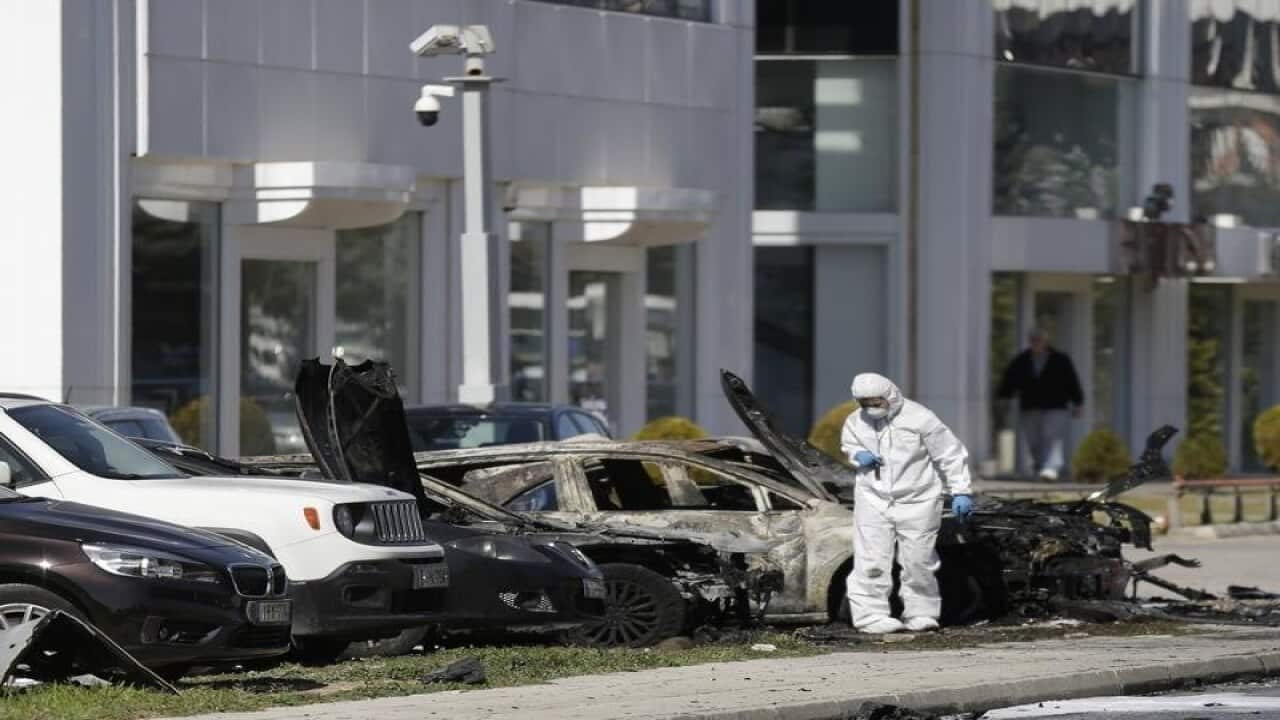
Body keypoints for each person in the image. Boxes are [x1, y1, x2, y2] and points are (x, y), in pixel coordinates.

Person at [840, 373, 974, 635]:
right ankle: (870, 616)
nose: (871, 407)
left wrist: (960, 491)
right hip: (873, 498)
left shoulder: (920, 417)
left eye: (876, 401)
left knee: (918, 560)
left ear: (890, 396)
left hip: (919, 499)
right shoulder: (856, 421)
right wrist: (858, 455)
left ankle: (921, 613)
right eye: (864, 402)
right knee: (871, 559)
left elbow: (950, 454)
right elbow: (849, 445)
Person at [997, 328, 1084, 481]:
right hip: (1030, 406)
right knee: (1033, 439)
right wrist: (1004, 397)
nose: (1036, 343)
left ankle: (1051, 468)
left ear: (1045, 341)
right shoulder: (1022, 360)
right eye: (1034, 340)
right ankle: (1040, 464)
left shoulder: (1060, 359)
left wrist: (1078, 403)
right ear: (1030, 342)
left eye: (1039, 340)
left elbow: (1072, 381)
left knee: (1051, 436)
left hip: (1056, 406)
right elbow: (1009, 380)